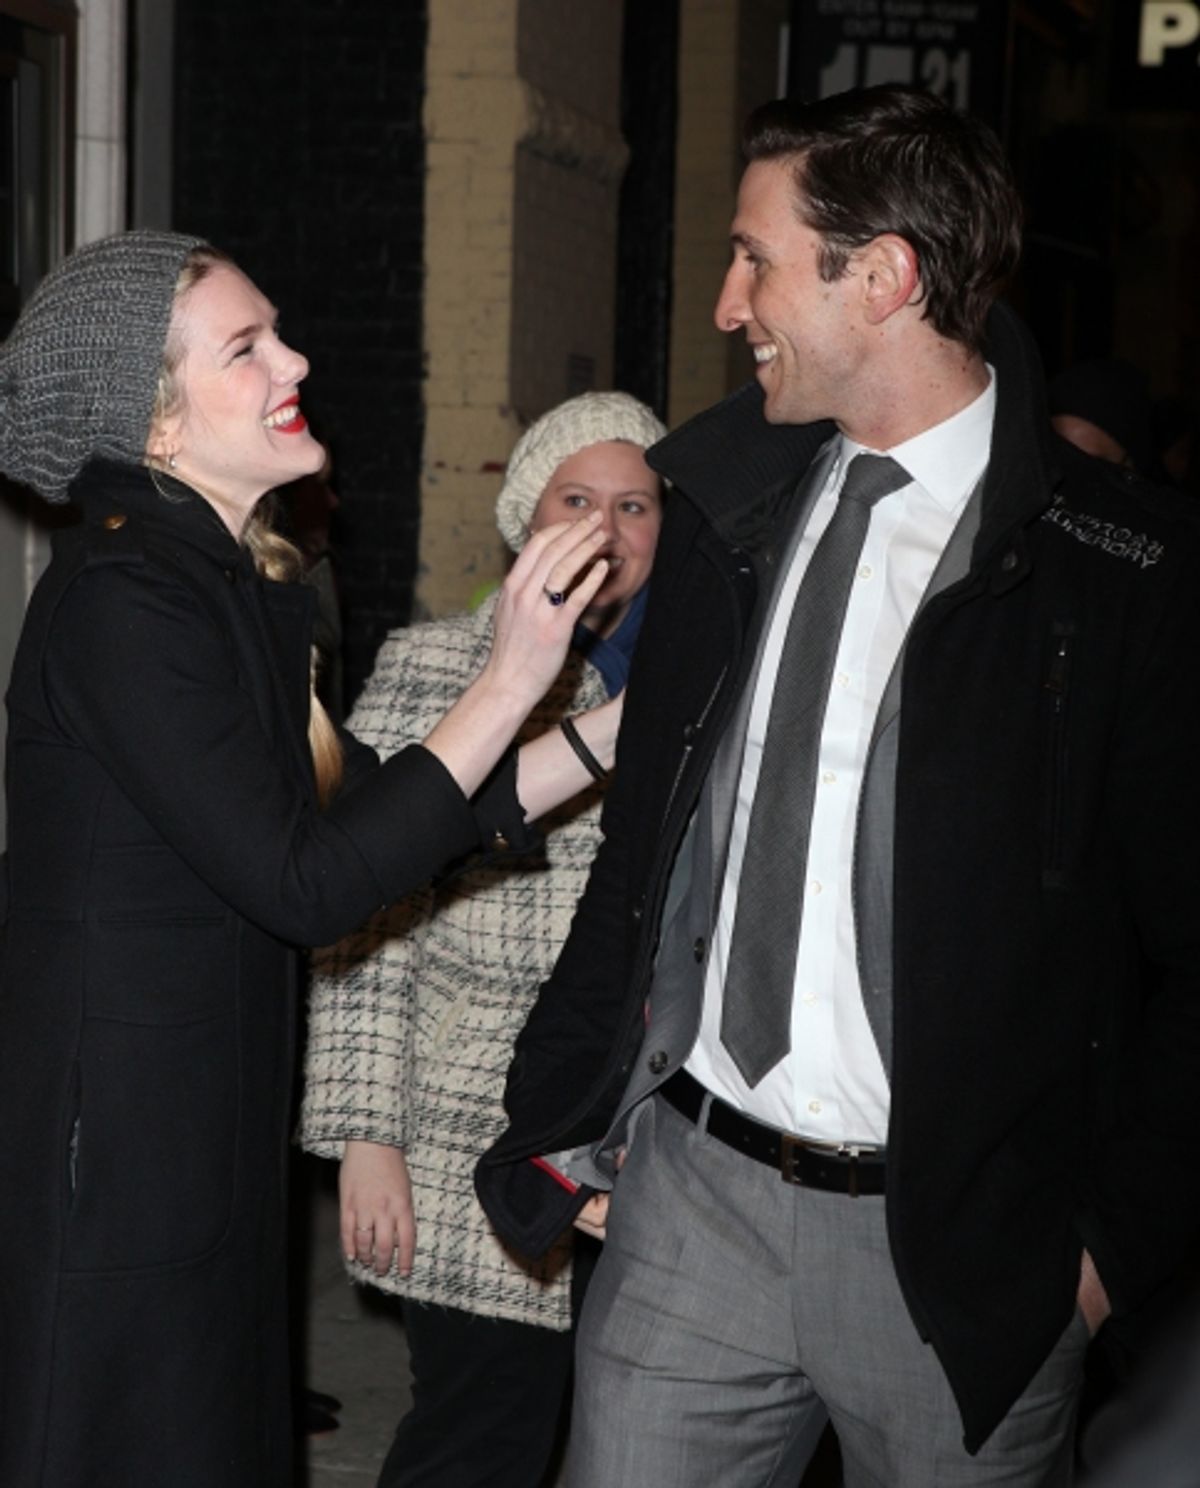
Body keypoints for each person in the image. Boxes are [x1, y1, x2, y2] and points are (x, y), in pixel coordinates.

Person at [475, 84, 1200, 1488]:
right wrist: (566, 1106)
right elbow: (647, 857)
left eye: (756, 260)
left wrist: (1103, 1257)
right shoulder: (719, 512)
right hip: (693, 1204)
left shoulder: (1123, 577)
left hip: (960, 1255)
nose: (725, 306)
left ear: (881, 278)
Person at [0, 230, 613, 1488]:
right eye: (247, 347)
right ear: (155, 421)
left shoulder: (223, 581)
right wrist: (507, 679)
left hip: (200, 1160)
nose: (297, 358)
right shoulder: (129, 598)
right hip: (114, 1178)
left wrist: (613, 735)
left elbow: (385, 813)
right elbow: (310, 885)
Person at [302, 390, 666, 1488]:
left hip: (646, 1139)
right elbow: (365, 914)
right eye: (577, 499)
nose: (606, 529)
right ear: (526, 518)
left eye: (638, 504)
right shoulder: (429, 667)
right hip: (467, 1123)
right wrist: (367, 1136)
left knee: (638, 1435)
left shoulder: (710, 682)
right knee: (479, 1434)